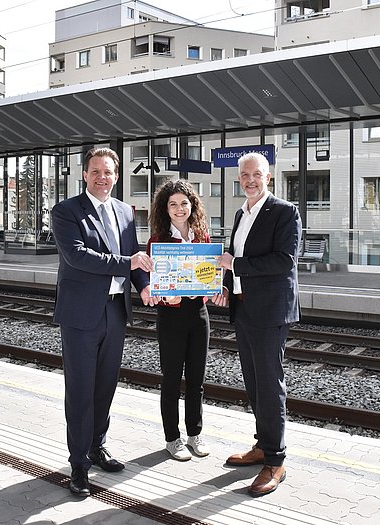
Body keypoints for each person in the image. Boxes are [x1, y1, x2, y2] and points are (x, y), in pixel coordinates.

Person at [51, 147, 156, 497]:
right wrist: (129, 262)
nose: (102, 177)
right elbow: (78, 256)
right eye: (95, 171)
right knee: (80, 391)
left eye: (108, 171)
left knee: (105, 387)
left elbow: (136, 256)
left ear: (116, 175)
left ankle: (97, 447)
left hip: (116, 311)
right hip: (81, 315)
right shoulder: (66, 211)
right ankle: (78, 464)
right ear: (84, 175)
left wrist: (144, 288)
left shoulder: (126, 211)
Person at [213, 152, 301, 497]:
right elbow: (233, 262)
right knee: (254, 384)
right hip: (245, 309)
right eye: (244, 175)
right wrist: (224, 282)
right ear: (239, 178)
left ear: (269, 177)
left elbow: (285, 260)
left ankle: (276, 461)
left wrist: (237, 264)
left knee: (269, 385)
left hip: (270, 313)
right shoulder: (242, 212)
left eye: (257, 175)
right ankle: (263, 446)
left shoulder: (284, 211)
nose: (250, 180)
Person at [146, 180, 213, 461]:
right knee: (172, 379)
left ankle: (194, 435)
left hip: (198, 315)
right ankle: (172, 438)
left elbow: (208, 275)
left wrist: (213, 289)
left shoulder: (202, 237)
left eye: (184, 203)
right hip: (170, 316)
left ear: (192, 205)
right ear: (165, 208)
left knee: (197, 380)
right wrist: (163, 298)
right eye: (172, 204)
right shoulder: (158, 240)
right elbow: (152, 283)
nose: (179, 208)